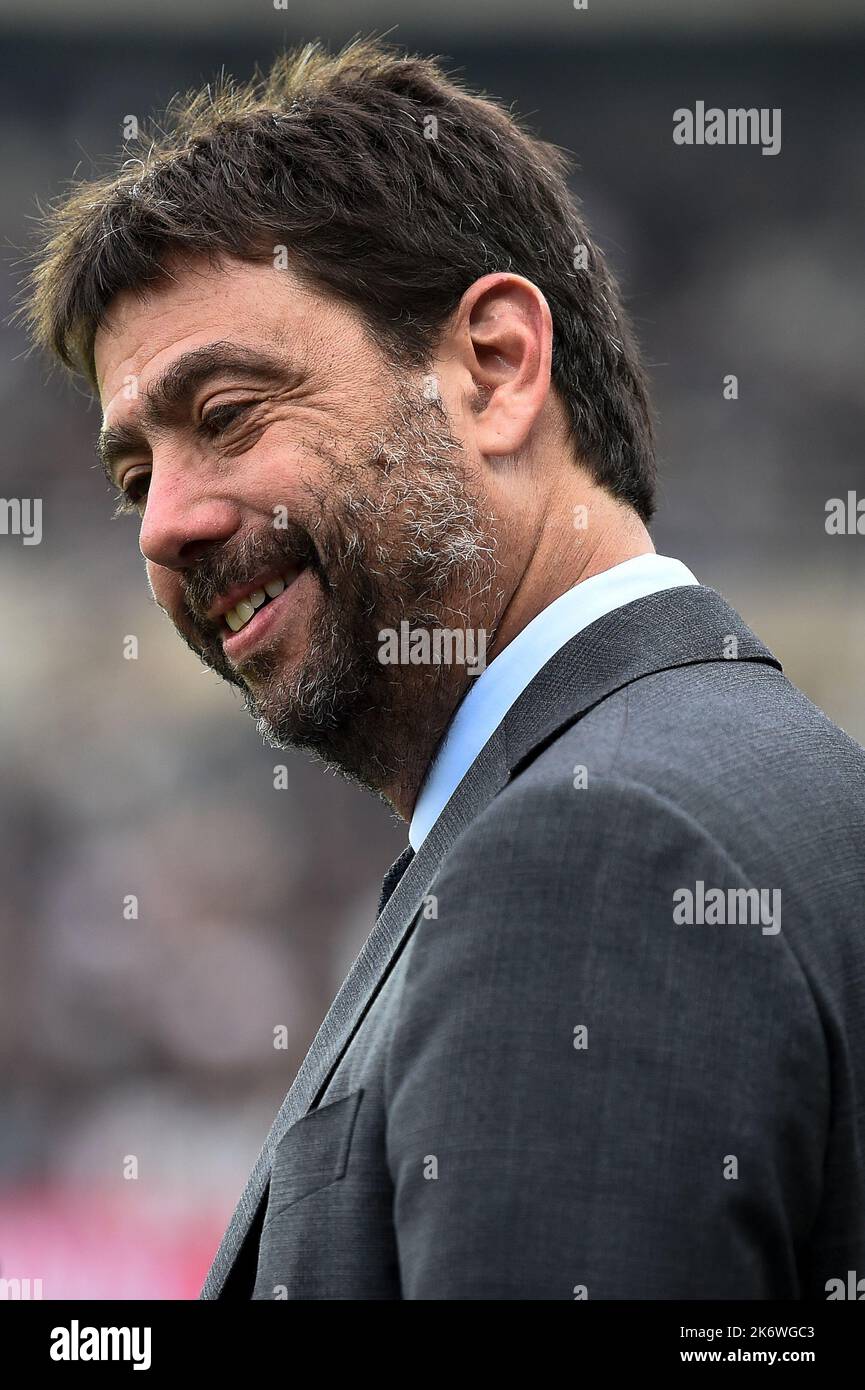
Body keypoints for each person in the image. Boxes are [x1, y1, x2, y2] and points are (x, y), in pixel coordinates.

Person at [23, 37, 865, 1300]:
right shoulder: (766, 782)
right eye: (136, 477)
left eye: (230, 414)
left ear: (493, 368)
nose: (163, 525)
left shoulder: (597, 853)